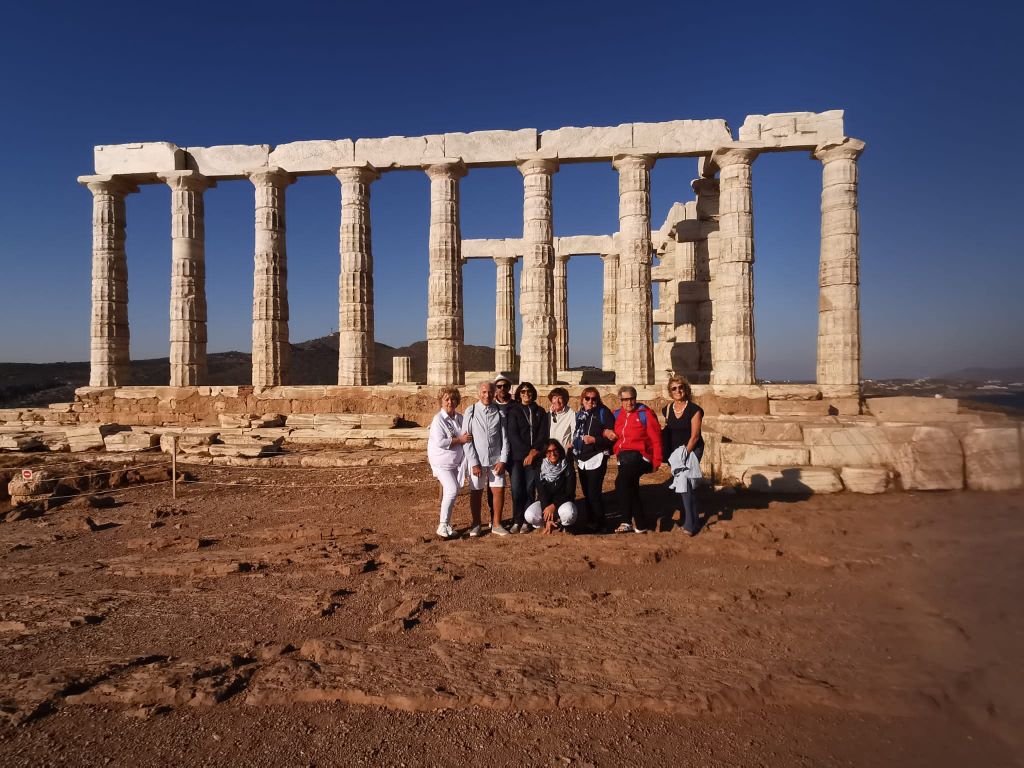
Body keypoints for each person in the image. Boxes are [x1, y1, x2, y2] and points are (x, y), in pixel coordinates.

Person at [608, 385, 663, 533]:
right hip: (623, 457)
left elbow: (656, 438)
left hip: (641, 456)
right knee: (631, 488)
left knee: (621, 483)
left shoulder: (645, 414)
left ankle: (626, 521)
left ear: (635, 398)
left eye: (631, 399)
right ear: (621, 400)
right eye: (625, 399)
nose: (629, 402)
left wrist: (657, 461)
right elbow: (606, 428)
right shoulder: (617, 414)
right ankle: (641, 524)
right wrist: (606, 432)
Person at [463, 380, 510, 537]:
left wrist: (503, 460)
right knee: (476, 491)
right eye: (484, 392)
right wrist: (474, 462)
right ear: (478, 393)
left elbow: (505, 438)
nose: (487, 395)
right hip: (478, 460)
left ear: (494, 393)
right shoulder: (471, 411)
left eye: (490, 392)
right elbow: (466, 439)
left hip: (496, 460)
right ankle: (476, 523)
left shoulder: (499, 411)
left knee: (498, 490)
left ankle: (496, 523)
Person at [661, 376, 705, 536]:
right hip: (675, 452)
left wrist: (684, 454)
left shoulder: (695, 410)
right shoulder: (666, 409)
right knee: (683, 486)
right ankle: (692, 518)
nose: (678, 391)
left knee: (685, 483)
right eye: (674, 388)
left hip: (692, 449)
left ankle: (690, 524)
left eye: (680, 387)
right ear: (670, 392)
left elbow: (695, 437)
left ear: (686, 389)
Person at [427, 386, 472, 539]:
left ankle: (446, 524)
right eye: (446, 399)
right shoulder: (438, 420)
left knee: (451, 493)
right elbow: (440, 442)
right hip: (441, 463)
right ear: (441, 401)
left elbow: (467, 435)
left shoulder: (459, 418)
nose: (450, 402)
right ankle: (442, 524)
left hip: (456, 463)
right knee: (452, 490)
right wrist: (460, 440)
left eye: (453, 399)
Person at [506, 381, 548, 533]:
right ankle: (517, 520)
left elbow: (543, 434)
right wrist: (526, 453)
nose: (526, 394)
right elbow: (513, 435)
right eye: (523, 392)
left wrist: (533, 452)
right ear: (518, 394)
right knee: (517, 489)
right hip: (517, 458)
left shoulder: (540, 411)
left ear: (533, 393)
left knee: (530, 489)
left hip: (535, 457)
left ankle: (526, 520)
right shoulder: (514, 411)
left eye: (529, 391)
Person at [572, 387, 616, 531]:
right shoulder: (580, 415)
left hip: (596, 457)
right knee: (586, 492)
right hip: (581, 458)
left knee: (594, 492)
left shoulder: (604, 413)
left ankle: (600, 523)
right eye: (587, 398)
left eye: (594, 398)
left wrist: (594, 440)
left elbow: (612, 439)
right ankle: (590, 521)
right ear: (582, 399)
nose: (590, 401)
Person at [525, 439, 578, 534]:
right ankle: (549, 523)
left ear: (559, 451)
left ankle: (564, 524)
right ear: (545, 453)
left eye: (555, 450)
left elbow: (569, 493)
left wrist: (554, 506)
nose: (552, 454)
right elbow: (541, 493)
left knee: (569, 513)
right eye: (548, 451)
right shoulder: (540, 468)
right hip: (546, 503)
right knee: (530, 515)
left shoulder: (567, 467)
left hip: (563, 502)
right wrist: (547, 519)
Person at [485, 375, 515, 522]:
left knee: (518, 487)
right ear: (495, 388)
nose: (502, 388)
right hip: (496, 453)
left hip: (514, 452)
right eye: (499, 386)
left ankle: (519, 518)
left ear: (509, 387)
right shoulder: (490, 406)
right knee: (493, 488)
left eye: (505, 386)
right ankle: (494, 518)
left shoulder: (516, 405)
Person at [546, 387, 575, 455]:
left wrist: (571, 445)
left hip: (564, 453)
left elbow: (574, 432)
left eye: (560, 398)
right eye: (555, 398)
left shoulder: (571, 414)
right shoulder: (548, 414)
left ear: (565, 400)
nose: (557, 401)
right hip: (550, 454)